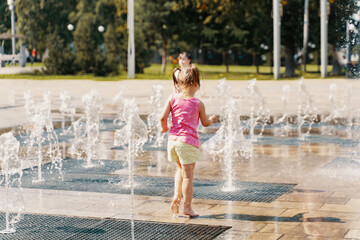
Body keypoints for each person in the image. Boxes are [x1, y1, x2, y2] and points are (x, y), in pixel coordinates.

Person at [160, 64, 217, 217]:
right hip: (187, 143)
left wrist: (165, 128)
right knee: (188, 177)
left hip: (172, 141)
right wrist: (212, 120)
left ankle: (176, 197)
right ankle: (187, 208)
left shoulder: (172, 98)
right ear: (196, 84)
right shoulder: (198, 104)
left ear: (180, 83)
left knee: (180, 170)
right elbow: (205, 123)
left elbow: (162, 117)